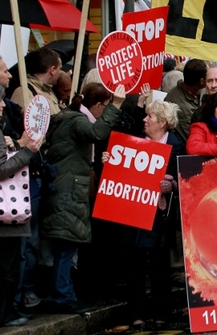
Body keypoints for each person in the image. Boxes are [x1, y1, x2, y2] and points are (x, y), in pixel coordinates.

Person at [41, 83, 126, 314]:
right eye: (105, 106)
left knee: (65, 245)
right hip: (69, 189)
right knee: (66, 246)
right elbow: (97, 132)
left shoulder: (69, 118)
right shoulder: (77, 120)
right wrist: (116, 105)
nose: (106, 110)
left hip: (67, 186)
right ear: (98, 105)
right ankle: (63, 297)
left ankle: (64, 293)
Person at [101, 99, 184, 328]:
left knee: (159, 264)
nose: (144, 120)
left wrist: (172, 185)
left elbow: (185, 178)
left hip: (160, 215)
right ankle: (136, 313)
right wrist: (109, 161)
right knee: (134, 263)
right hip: (133, 211)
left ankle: (161, 313)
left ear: (164, 123)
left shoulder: (177, 145)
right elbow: (119, 169)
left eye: (150, 117)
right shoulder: (134, 140)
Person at [0, 87, 43, 327]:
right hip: (5, 213)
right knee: (8, 266)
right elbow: (2, 169)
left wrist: (15, 144)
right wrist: (26, 150)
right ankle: (6, 314)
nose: (3, 104)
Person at [165, 58, 207, 144]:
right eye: (208, 78)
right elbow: (192, 139)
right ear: (202, 81)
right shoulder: (184, 108)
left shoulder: (188, 91)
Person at [11, 48, 61, 114]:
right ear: (53, 70)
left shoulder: (49, 91)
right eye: (60, 69)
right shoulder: (24, 92)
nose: (60, 72)